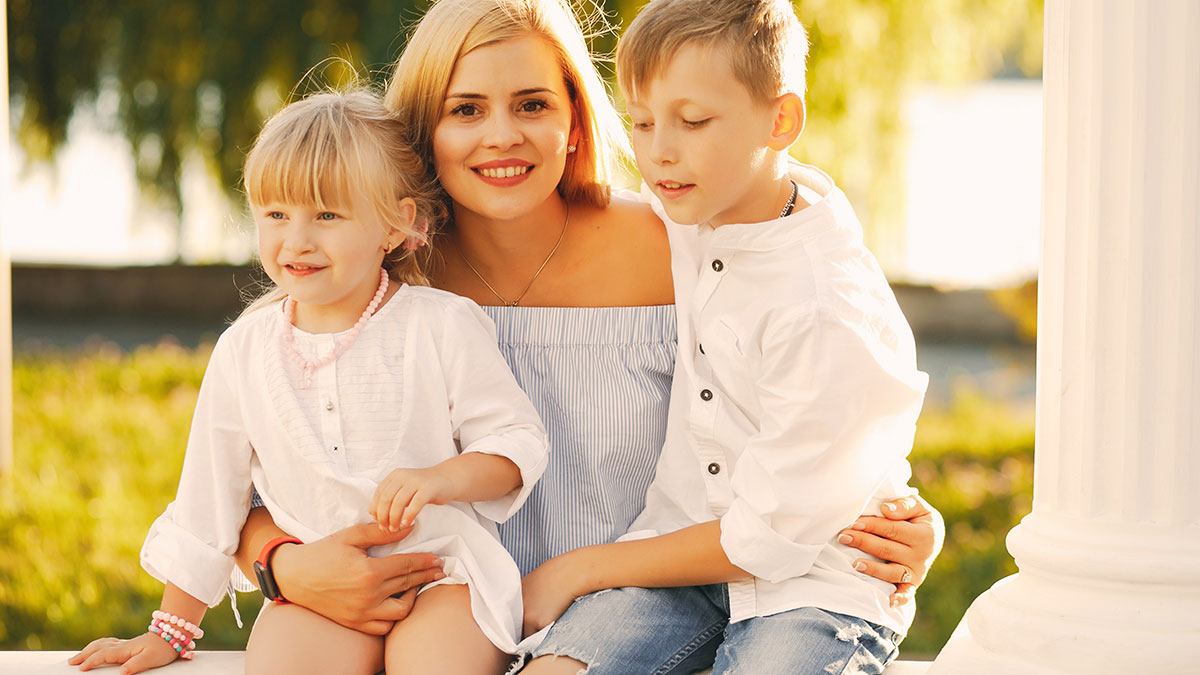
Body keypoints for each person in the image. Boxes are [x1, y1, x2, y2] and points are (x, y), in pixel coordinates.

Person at [230, 0, 943, 657]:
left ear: (574, 119)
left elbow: (806, 375)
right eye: (466, 109)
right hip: (449, 625)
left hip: (636, 607)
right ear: (424, 128)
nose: (502, 135)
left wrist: (882, 501)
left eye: (533, 104)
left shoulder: (680, 243)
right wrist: (283, 567)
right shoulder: (369, 280)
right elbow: (243, 476)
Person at [69, 88, 550, 675]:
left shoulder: (440, 324)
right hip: (319, 590)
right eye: (276, 214)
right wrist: (169, 630)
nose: (296, 240)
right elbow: (209, 499)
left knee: (435, 665)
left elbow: (515, 443)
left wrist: (440, 479)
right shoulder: (245, 349)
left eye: (326, 215)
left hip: (441, 575)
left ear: (397, 223)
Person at [518, 1, 929, 673]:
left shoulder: (824, 304)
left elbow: (769, 537)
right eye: (642, 121)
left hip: (818, 581)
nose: (659, 150)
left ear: (781, 121)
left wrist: (580, 568)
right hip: (678, 561)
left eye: (694, 121)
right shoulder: (690, 211)